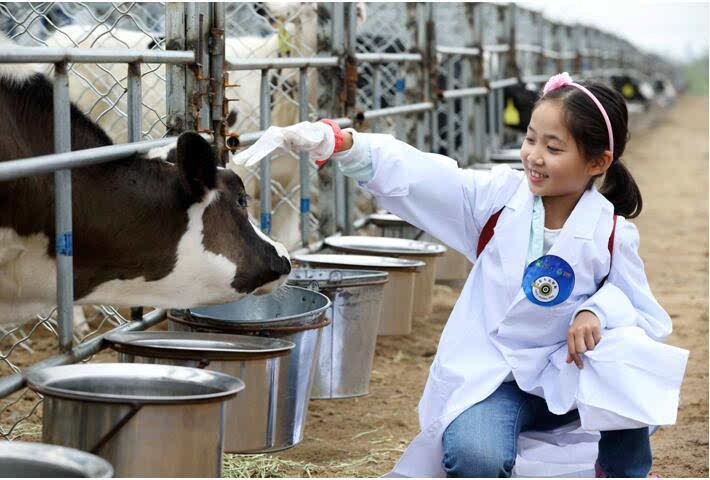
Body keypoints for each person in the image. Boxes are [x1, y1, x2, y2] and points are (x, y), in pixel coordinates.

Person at [233, 72, 689, 478]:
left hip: (569, 378)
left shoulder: (611, 232)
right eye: (531, 139)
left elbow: (640, 309)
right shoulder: (498, 200)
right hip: (497, 379)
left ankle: (622, 473)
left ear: (597, 163)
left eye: (553, 148)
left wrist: (595, 309)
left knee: (633, 356)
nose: (533, 155)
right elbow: (428, 175)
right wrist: (344, 142)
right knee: (475, 458)